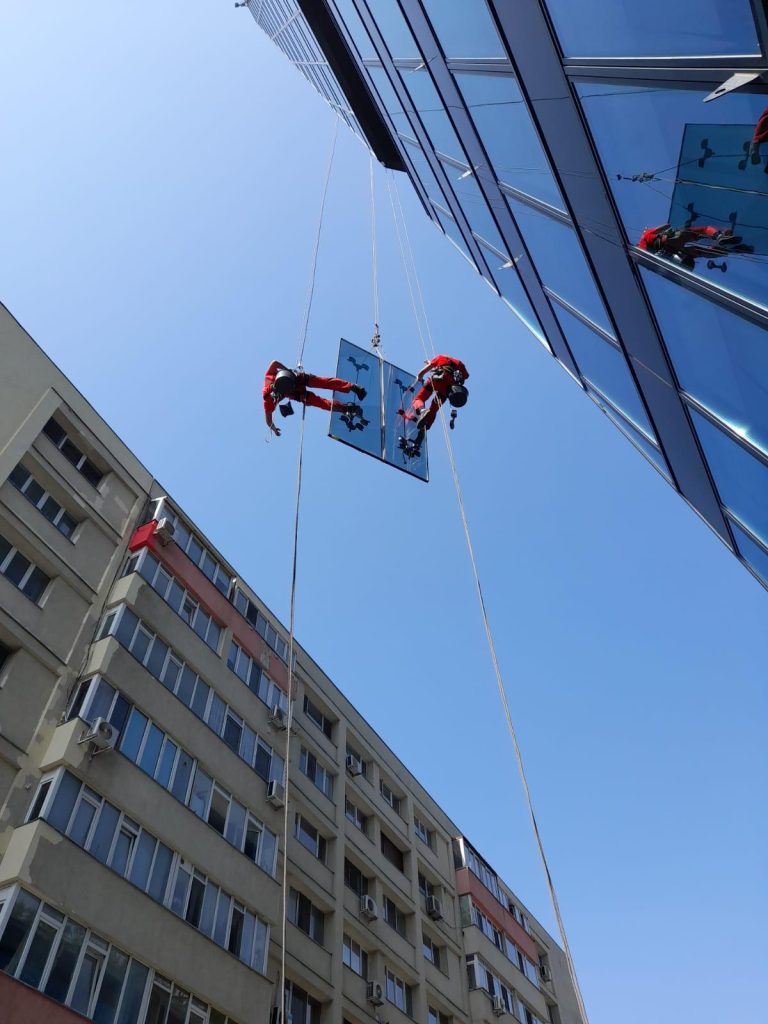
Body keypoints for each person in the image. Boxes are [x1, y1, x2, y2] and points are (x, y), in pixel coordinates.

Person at [262, 360, 366, 436]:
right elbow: (268, 420)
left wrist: (286, 370)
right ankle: (346, 408)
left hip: (296, 379)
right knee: (320, 402)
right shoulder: (268, 401)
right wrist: (274, 429)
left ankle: (354, 388)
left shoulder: (268, 378)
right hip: (296, 392)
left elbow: (274, 363)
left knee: (324, 382)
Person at [404, 354, 469, 434]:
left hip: (438, 380)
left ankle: (422, 411)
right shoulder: (459, 363)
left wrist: (419, 377)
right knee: (434, 408)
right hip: (448, 390)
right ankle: (427, 426)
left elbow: (421, 373)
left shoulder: (439, 357)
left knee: (418, 399)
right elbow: (466, 376)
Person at [637, 223, 752, 268]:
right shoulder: (646, 234)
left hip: (673, 253)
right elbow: (666, 226)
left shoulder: (643, 253)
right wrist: (649, 229)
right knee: (703, 230)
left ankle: (732, 250)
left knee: (701, 251)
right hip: (670, 239)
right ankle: (719, 236)